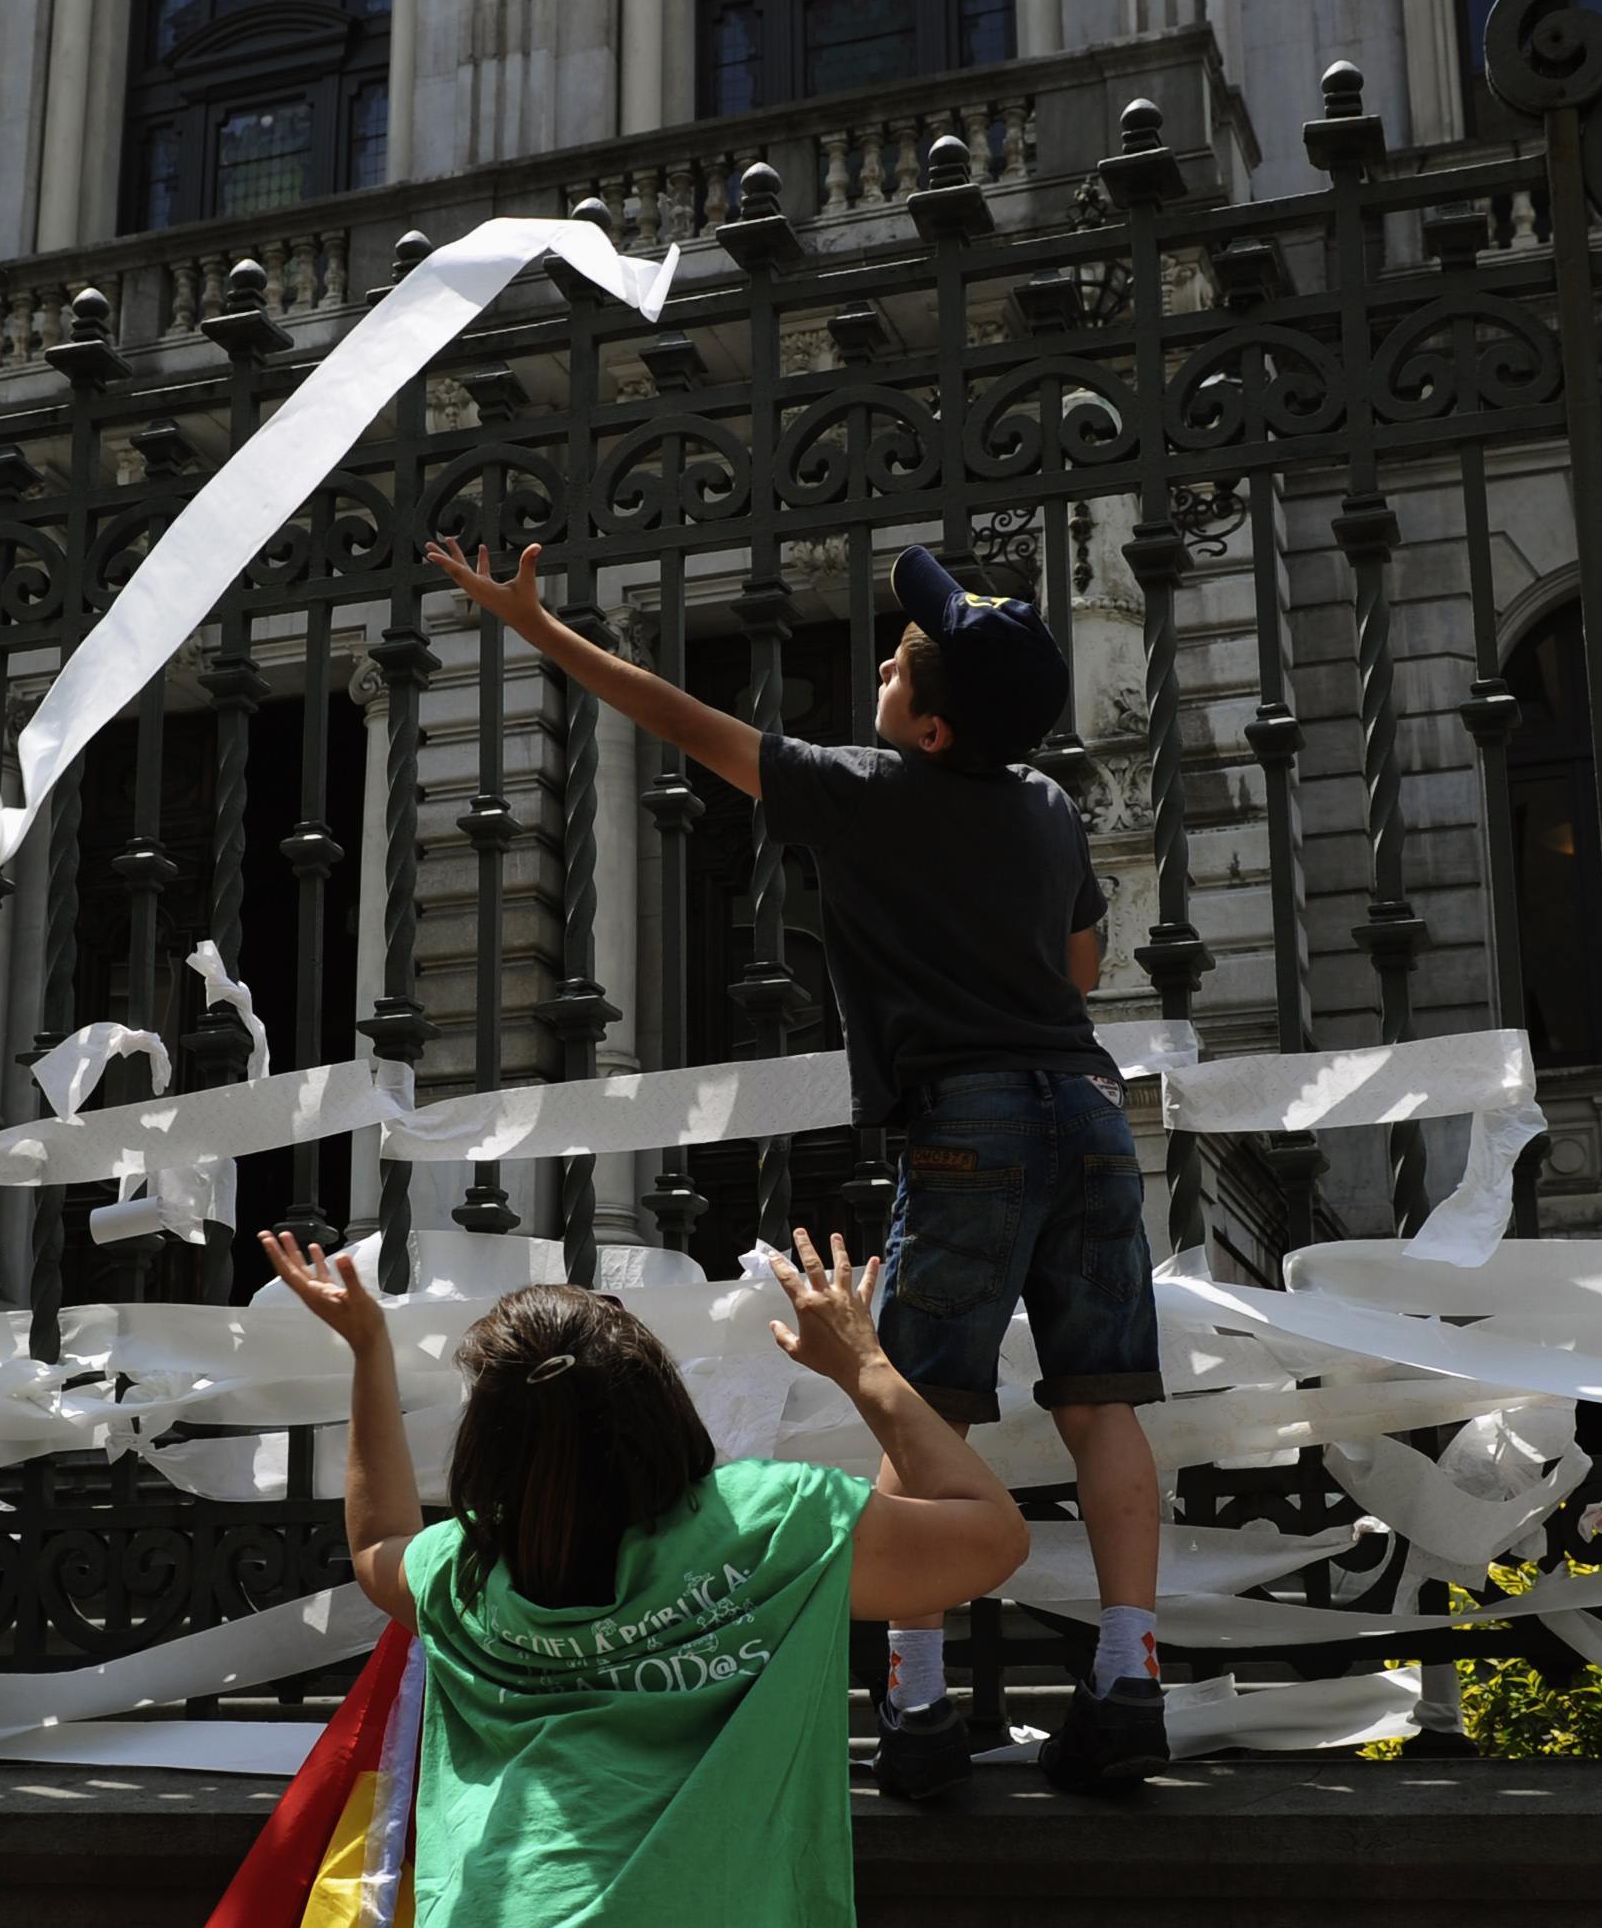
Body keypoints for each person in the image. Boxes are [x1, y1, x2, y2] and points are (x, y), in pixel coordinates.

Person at [423, 533, 1170, 1800]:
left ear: (928, 729)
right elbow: (1084, 965)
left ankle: (920, 1704)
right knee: (1104, 1404)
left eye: (905, 660)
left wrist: (541, 632)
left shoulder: (868, 792)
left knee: (917, 1404)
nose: (886, 658)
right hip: (1085, 1109)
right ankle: (1129, 1675)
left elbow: (677, 715)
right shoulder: (1045, 807)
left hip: (968, 1116)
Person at [259, 1224, 1027, 1928]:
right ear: (664, 1414)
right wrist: (864, 1364)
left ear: (487, 1449)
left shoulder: (466, 1580)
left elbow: (372, 1547)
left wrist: (369, 1354)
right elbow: (988, 1534)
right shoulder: (777, 1528)